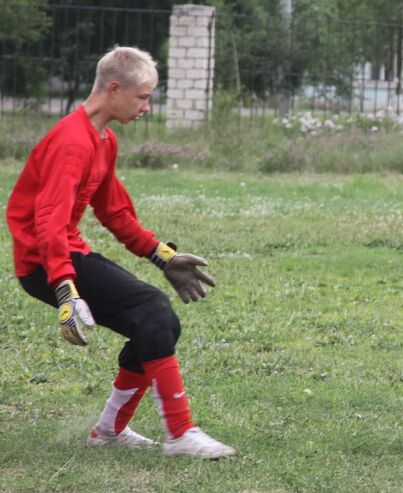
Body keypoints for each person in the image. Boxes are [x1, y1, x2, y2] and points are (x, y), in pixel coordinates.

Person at [6, 46, 236, 458]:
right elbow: (48, 221)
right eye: (143, 97)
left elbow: (114, 211)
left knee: (156, 324)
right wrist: (64, 288)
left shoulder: (103, 139)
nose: (147, 106)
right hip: (45, 261)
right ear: (114, 89)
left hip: (63, 254)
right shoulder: (72, 142)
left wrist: (162, 255)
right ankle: (180, 433)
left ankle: (109, 431)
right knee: (153, 312)